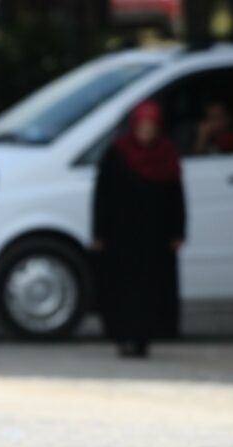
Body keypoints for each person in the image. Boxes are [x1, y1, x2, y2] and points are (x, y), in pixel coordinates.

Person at [91, 100, 186, 358]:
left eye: (151, 128)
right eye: (142, 127)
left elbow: (176, 197)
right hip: (121, 237)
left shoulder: (166, 155)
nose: (146, 133)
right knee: (123, 289)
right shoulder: (117, 153)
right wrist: (98, 233)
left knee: (150, 290)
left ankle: (144, 338)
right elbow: (102, 195)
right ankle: (123, 337)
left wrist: (178, 233)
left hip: (155, 238)